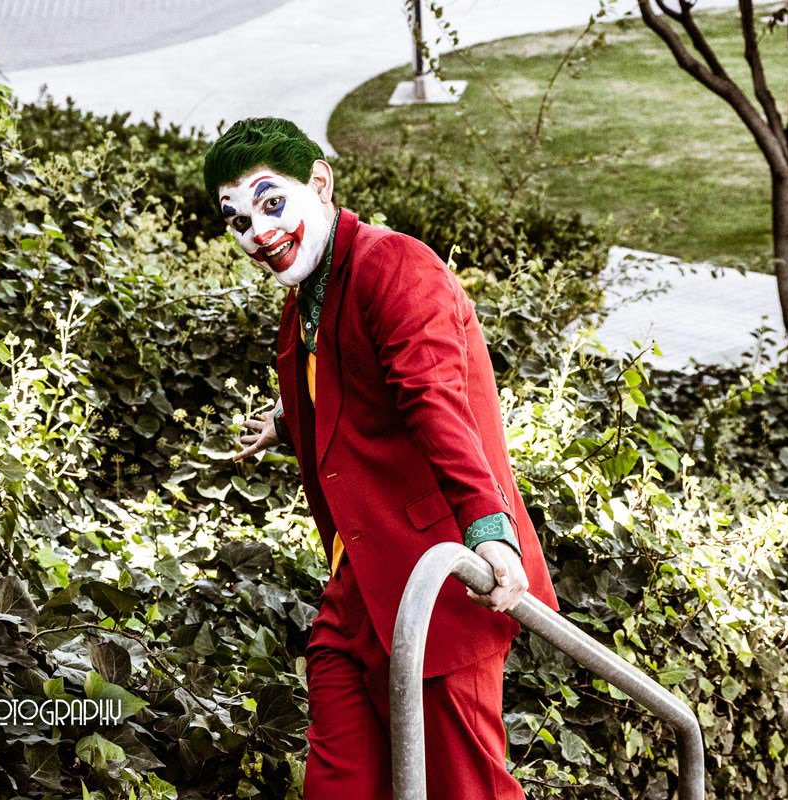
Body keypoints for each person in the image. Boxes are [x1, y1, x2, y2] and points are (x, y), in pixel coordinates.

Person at [206, 117, 558, 800]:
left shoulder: (392, 265)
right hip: (357, 589)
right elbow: (358, 381)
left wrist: (489, 530)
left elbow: (434, 401)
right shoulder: (307, 296)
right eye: (238, 220)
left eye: (271, 203)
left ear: (320, 182)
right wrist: (288, 421)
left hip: (440, 579)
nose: (259, 232)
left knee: (466, 791)